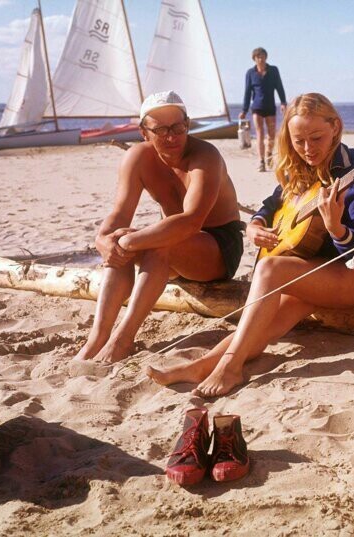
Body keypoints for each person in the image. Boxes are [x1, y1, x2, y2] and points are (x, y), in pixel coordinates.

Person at [148, 93, 354, 397]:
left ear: (336, 127)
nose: (307, 149)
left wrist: (336, 229)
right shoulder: (299, 167)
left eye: (316, 138)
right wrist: (255, 226)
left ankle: (230, 368)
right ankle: (202, 365)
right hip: (316, 272)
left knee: (269, 267)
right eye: (298, 141)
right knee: (273, 318)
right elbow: (271, 204)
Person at [73, 91, 244, 367]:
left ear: (187, 124)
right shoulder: (138, 157)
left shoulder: (205, 156)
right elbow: (120, 213)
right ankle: (98, 337)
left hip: (217, 249)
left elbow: (192, 221)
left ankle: (122, 340)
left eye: (178, 128)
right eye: (161, 130)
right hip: (172, 246)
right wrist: (104, 240)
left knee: (149, 242)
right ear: (144, 132)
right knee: (121, 237)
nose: (171, 137)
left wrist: (129, 242)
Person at [239, 47, 287, 173]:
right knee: (260, 134)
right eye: (257, 57)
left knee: (271, 135)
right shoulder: (250, 73)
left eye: (262, 56)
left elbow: (279, 87)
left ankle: (269, 154)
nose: (260, 59)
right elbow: (247, 93)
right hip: (257, 108)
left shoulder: (273, 70)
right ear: (254, 59)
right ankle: (261, 161)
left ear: (266, 57)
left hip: (270, 107)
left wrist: (283, 102)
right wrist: (244, 110)